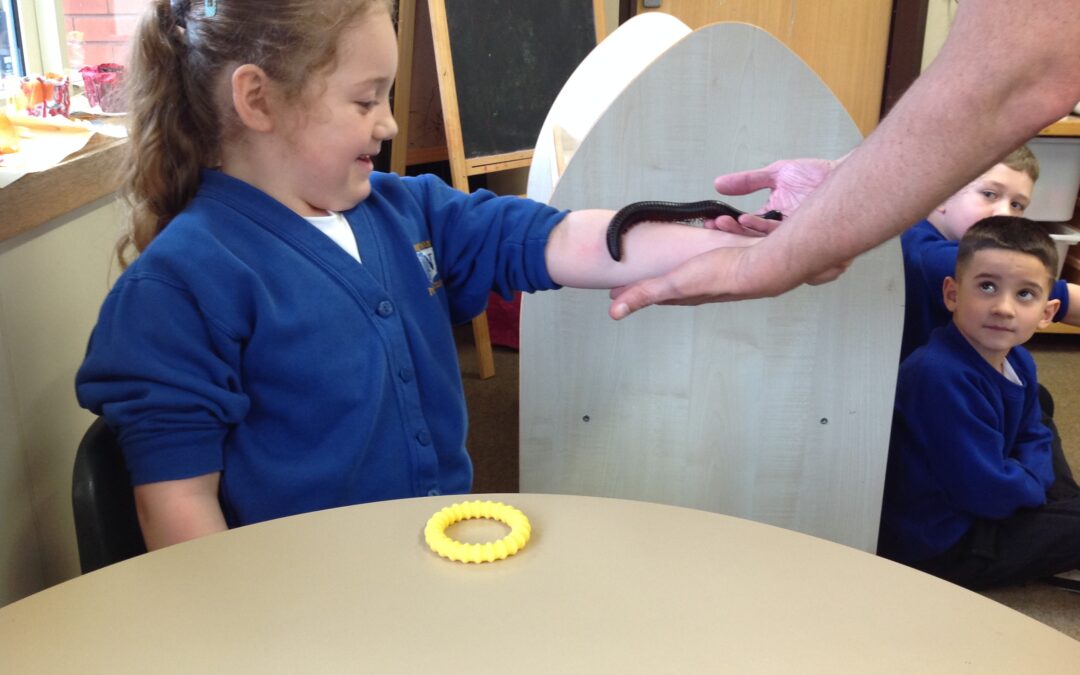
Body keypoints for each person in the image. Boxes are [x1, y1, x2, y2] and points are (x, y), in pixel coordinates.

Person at [75, 0, 757, 550]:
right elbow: (177, 510)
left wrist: (721, 249)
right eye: (365, 100)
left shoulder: (410, 209)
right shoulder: (178, 288)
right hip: (304, 614)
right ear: (258, 100)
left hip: (437, 569)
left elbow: (554, 236)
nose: (391, 121)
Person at [606, 0, 1080, 318]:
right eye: (991, 193)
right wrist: (843, 178)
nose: (1004, 210)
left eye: (1017, 203)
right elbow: (1015, 80)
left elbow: (1022, 76)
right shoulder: (929, 248)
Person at [877, 217, 1080, 590]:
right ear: (952, 294)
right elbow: (986, 493)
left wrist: (1029, 479)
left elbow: (1033, 433)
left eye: (1025, 295)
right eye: (987, 287)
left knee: (1040, 406)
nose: (1004, 308)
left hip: (984, 498)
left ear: (1047, 313)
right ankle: (1057, 516)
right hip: (943, 544)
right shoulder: (939, 375)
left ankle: (1058, 513)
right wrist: (1034, 485)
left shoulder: (1017, 358)